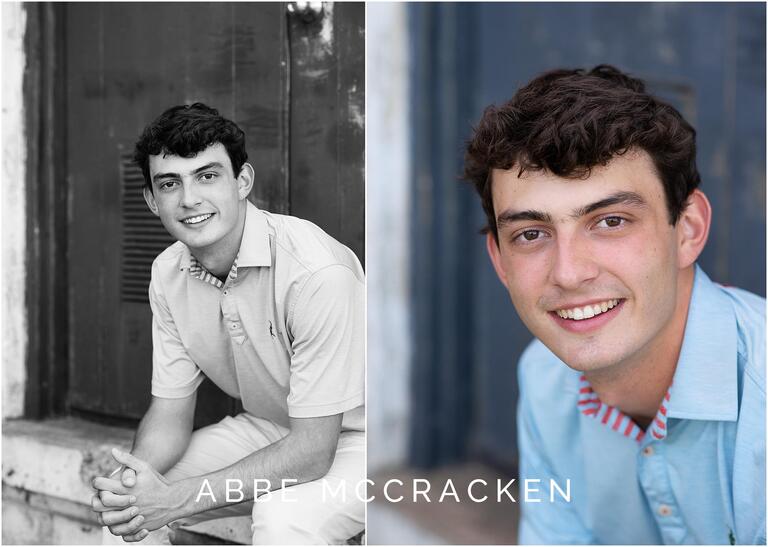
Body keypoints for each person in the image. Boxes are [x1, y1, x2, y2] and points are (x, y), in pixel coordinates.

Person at [464, 65, 765, 544]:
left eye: (611, 222)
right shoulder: (544, 379)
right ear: (500, 261)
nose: (568, 272)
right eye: (531, 234)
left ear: (687, 230)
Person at [90, 103, 365, 545]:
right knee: (133, 507)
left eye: (207, 175)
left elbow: (314, 452)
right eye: (169, 183)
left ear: (242, 182)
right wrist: (135, 480)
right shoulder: (167, 273)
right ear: (151, 199)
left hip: (372, 442)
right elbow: (169, 415)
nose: (189, 199)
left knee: (285, 519)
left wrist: (177, 499)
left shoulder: (315, 273)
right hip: (274, 428)